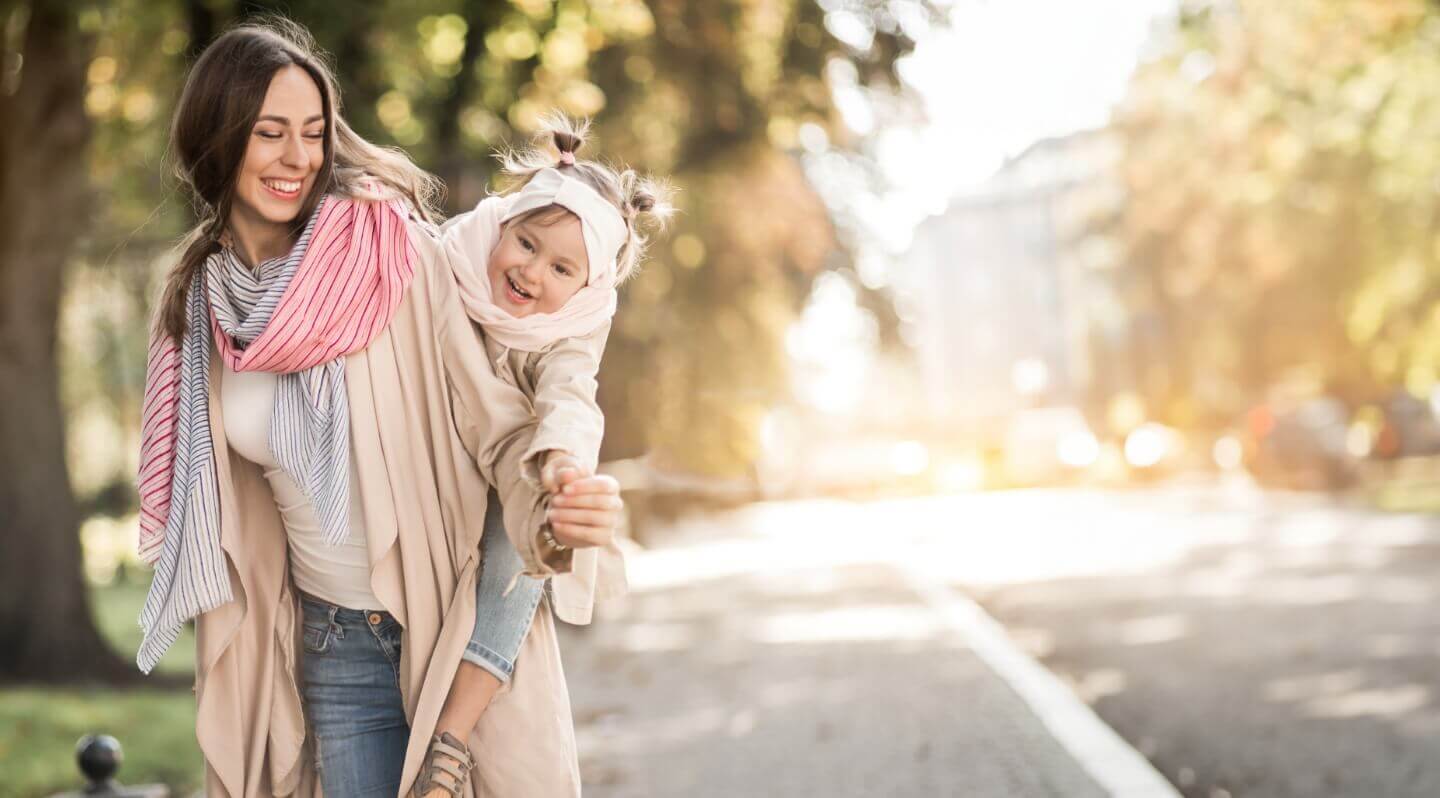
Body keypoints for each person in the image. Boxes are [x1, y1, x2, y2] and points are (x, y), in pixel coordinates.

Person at [135, 19, 624, 797]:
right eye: (270, 133)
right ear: (219, 139)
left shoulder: (388, 252)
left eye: (313, 132)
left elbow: (499, 428)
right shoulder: (203, 310)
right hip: (334, 649)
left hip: (448, 624)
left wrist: (555, 498)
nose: (298, 158)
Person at [406, 116, 669, 797]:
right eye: (526, 243)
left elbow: (571, 397)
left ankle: (452, 740)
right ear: (505, 220)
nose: (530, 272)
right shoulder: (446, 257)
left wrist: (559, 463)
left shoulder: (574, 327)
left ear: (585, 288)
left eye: (560, 269)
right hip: (428, 458)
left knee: (518, 559)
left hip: (513, 472)